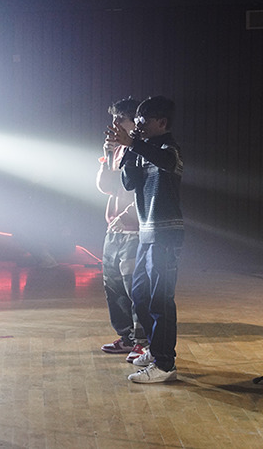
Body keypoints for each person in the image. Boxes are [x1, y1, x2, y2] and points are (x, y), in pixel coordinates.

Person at [109, 96, 184, 383]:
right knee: (139, 294)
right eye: (137, 121)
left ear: (162, 122)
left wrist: (133, 143)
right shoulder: (142, 150)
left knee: (160, 300)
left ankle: (165, 364)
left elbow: (166, 162)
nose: (138, 126)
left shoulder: (169, 149)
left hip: (166, 234)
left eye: (144, 121)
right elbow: (129, 183)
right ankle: (155, 350)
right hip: (147, 234)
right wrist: (126, 150)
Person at [97, 98, 147, 363]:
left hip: (134, 230)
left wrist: (127, 216)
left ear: (134, 123)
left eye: (121, 119)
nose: (115, 124)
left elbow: (144, 191)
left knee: (134, 287)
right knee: (112, 285)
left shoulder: (142, 149)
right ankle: (126, 336)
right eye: (114, 119)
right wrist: (106, 157)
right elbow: (105, 186)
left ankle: (142, 342)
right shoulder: (116, 150)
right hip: (113, 228)